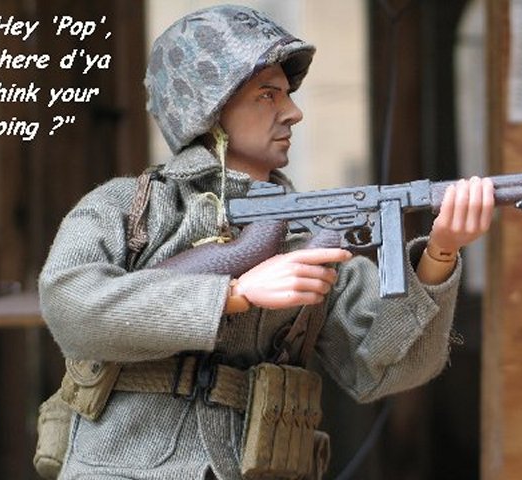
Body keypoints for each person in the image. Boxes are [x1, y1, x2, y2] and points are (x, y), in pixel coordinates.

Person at [38, 4, 494, 480]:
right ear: (210, 108)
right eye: (267, 95)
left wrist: (440, 253)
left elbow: (379, 370)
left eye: (287, 95)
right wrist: (234, 295)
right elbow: (70, 306)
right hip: (121, 467)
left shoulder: (306, 237)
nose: (293, 112)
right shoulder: (130, 206)